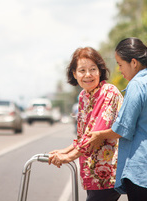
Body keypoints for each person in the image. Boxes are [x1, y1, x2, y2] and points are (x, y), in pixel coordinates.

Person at [84, 38, 147, 201]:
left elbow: (123, 128)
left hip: (140, 168)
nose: (119, 70)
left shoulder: (137, 85)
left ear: (133, 63)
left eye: (120, 64)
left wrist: (99, 135)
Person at [48, 47, 123, 201]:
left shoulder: (108, 92)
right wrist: (64, 151)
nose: (88, 75)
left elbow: (96, 134)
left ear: (100, 71)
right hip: (90, 169)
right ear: (75, 74)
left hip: (108, 171)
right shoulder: (83, 95)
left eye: (93, 69)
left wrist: (69, 157)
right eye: (82, 70)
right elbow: (83, 134)